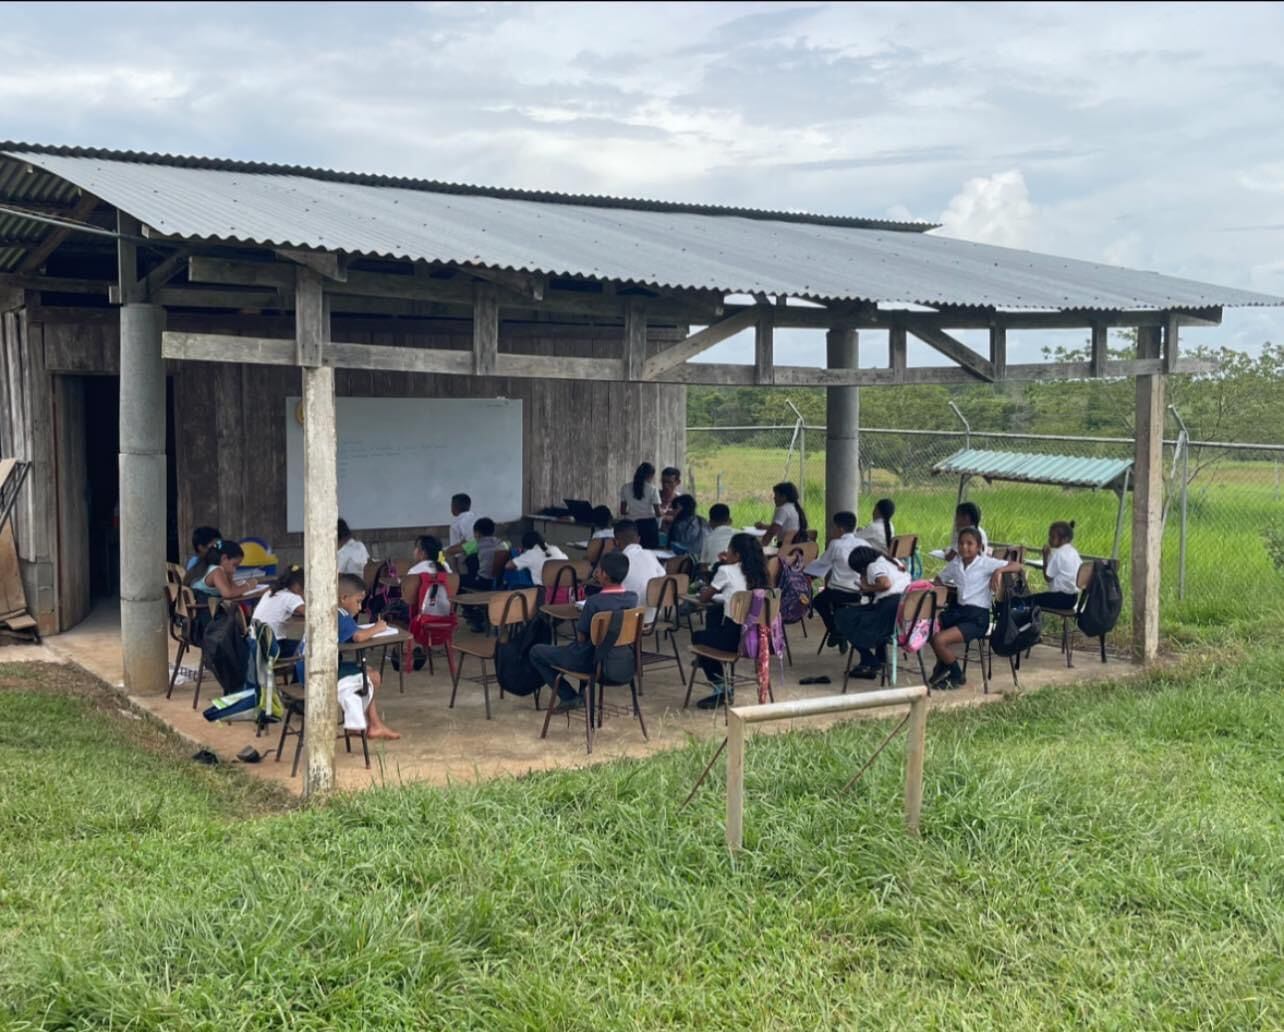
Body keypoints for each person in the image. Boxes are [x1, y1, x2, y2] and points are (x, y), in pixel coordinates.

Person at [530, 551, 638, 713]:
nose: (596, 572)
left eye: (599, 570)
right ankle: (582, 694)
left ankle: (569, 696)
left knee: (537, 652)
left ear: (605, 575)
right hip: (623, 661)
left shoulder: (594, 603)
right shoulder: (632, 598)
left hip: (593, 663)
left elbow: (581, 637)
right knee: (588, 647)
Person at [294, 574, 399, 740]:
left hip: (305, 670)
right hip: (320, 675)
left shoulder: (325, 609)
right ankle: (365, 724)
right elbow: (358, 637)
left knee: (368, 671)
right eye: (358, 602)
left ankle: (363, 723)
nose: (360, 608)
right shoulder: (341, 614)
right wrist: (378, 627)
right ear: (343, 598)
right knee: (373, 676)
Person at [929, 527, 1022, 689]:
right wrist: (935, 586)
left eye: (969, 543)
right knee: (927, 628)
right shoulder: (955, 564)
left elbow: (1018, 566)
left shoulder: (986, 563)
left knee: (939, 640)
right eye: (961, 543)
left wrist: (999, 570)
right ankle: (944, 663)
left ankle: (957, 675)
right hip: (958, 612)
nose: (964, 547)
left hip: (977, 618)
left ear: (979, 546)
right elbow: (939, 578)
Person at [691, 532, 769, 709]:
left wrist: (721, 568)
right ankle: (717, 675)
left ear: (737, 554)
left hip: (733, 639)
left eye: (730, 550)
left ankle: (721, 689)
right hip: (757, 638)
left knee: (698, 637)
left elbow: (704, 598)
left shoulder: (726, 570)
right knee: (714, 622)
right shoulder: (761, 573)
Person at [835, 546, 911, 679]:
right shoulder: (893, 561)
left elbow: (885, 584)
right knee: (859, 614)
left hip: (888, 611)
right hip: (902, 611)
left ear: (862, 566)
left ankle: (869, 659)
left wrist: (866, 587)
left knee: (843, 617)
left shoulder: (873, 566)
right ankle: (879, 658)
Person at [807, 511, 865, 649]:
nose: (831, 531)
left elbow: (823, 564)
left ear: (840, 529)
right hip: (859, 592)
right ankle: (839, 632)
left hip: (839, 591)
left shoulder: (836, 544)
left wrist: (804, 568)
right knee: (836, 604)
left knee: (818, 601)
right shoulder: (863, 543)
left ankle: (835, 630)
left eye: (833, 528)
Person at [614, 519, 665, 621]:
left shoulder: (618, 560)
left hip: (628, 617)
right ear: (638, 539)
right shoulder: (650, 554)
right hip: (652, 615)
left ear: (616, 542)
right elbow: (663, 575)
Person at [250, 565, 305, 656]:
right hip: (272, 648)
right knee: (307, 648)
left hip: (255, 644)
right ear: (297, 585)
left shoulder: (271, 592)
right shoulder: (292, 597)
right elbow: (311, 614)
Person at [185, 539, 258, 601]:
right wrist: (248, 586)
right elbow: (228, 593)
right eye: (234, 565)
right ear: (224, 558)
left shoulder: (212, 568)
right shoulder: (217, 570)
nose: (235, 570)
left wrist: (230, 576)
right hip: (203, 612)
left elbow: (233, 589)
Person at [1032, 520, 1082, 610]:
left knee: (1027, 601)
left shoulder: (1058, 554)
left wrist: (1045, 556)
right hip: (1073, 598)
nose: (1049, 540)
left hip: (1060, 599)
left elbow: (1048, 578)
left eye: (1053, 537)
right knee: (1033, 599)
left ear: (1064, 539)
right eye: (1049, 536)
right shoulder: (1074, 552)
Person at [619, 462, 662, 548]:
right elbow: (658, 513)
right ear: (651, 475)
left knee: (632, 551)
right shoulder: (652, 489)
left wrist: (633, 513)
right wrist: (665, 512)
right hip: (649, 527)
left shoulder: (625, 487)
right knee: (650, 553)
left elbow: (622, 511)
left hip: (632, 526)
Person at [458, 517, 506, 592]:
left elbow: (451, 551)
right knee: (473, 558)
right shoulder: (502, 543)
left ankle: (465, 602)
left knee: (456, 579)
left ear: (477, 533)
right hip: (498, 582)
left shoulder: (476, 544)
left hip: (482, 582)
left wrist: (462, 543)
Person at [756, 481, 808, 547]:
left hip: (784, 549)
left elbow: (772, 531)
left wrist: (760, 545)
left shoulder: (783, 509)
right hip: (794, 547)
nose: (774, 498)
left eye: (776, 495)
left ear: (784, 497)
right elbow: (781, 527)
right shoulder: (794, 508)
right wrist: (764, 526)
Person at [700, 503, 736, 572]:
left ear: (710, 523)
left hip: (716, 575)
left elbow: (703, 566)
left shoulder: (708, 539)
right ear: (730, 521)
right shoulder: (740, 534)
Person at [443, 493, 478, 562]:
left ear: (454, 507)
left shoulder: (456, 524)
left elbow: (455, 552)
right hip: (483, 549)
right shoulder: (477, 517)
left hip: (471, 553)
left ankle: (454, 572)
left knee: (444, 552)